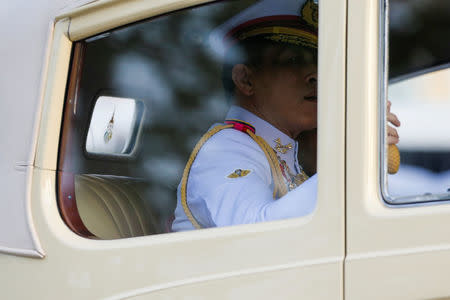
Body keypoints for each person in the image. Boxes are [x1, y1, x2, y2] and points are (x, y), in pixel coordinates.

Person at [172, 0, 400, 231]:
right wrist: (356, 154)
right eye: (294, 60)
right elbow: (255, 231)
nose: (316, 76)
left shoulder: (274, 150)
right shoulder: (227, 147)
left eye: (318, 63)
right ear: (245, 80)